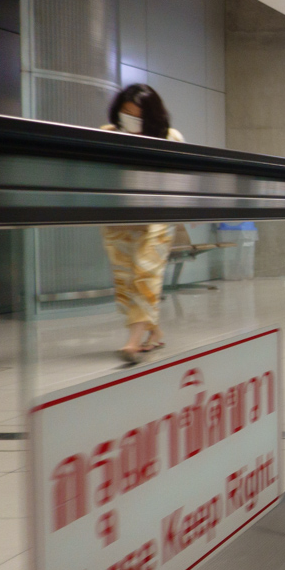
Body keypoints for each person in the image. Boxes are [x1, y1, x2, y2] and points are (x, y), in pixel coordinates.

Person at [99, 84, 184, 363]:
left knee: (146, 273)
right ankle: (154, 332)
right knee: (125, 278)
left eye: (138, 116)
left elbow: (180, 179)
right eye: (126, 114)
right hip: (119, 218)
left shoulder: (170, 137)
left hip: (158, 218)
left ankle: (133, 342)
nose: (132, 121)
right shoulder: (106, 134)